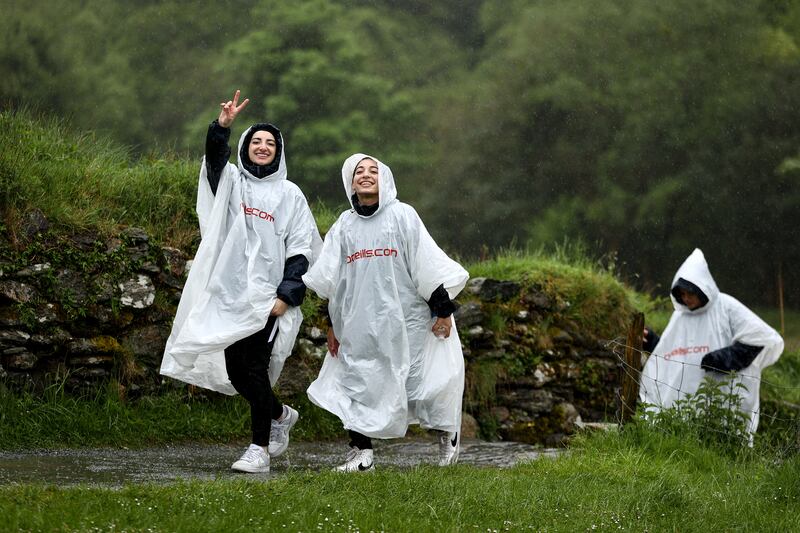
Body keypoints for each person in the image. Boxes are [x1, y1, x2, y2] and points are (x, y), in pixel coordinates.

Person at [160, 90, 321, 473]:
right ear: (245, 148)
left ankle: (259, 450)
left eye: (270, 143)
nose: (262, 147)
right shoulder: (232, 182)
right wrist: (222, 128)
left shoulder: (290, 194)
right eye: (256, 142)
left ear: (279, 152)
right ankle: (280, 414)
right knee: (236, 369)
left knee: (255, 369)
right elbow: (215, 161)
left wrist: (287, 294)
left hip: (268, 296)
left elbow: (301, 249)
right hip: (229, 293)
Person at [302, 154, 469, 472]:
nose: (365, 175)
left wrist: (443, 311)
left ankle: (447, 431)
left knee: (423, 383)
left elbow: (425, 265)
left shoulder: (402, 216)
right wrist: (333, 324)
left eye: (373, 170)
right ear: (350, 182)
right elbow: (335, 281)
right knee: (355, 383)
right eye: (358, 172)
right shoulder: (344, 226)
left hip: (408, 319)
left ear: (385, 178)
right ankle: (361, 453)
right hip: (360, 324)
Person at [638, 248, 783, 437]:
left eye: (689, 293)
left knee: (721, 438)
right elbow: (673, 353)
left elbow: (761, 338)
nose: (685, 298)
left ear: (702, 288)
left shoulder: (726, 307)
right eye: (681, 294)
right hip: (683, 415)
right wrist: (653, 342)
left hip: (722, 406)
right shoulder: (680, 317)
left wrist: (726, 358)